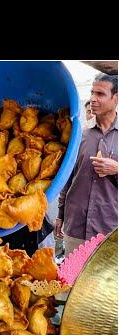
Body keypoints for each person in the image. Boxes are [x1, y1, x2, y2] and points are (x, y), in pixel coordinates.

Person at [56, 73, 118, 256]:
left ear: (116, 98)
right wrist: (60, 215)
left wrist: (116, 169)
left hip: (109, 229)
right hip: (76, 227)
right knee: (73, 280)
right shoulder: (79, 135)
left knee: (102, 284)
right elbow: (67, 178)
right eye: (92, 92)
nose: (93, 99)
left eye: (100, 94)